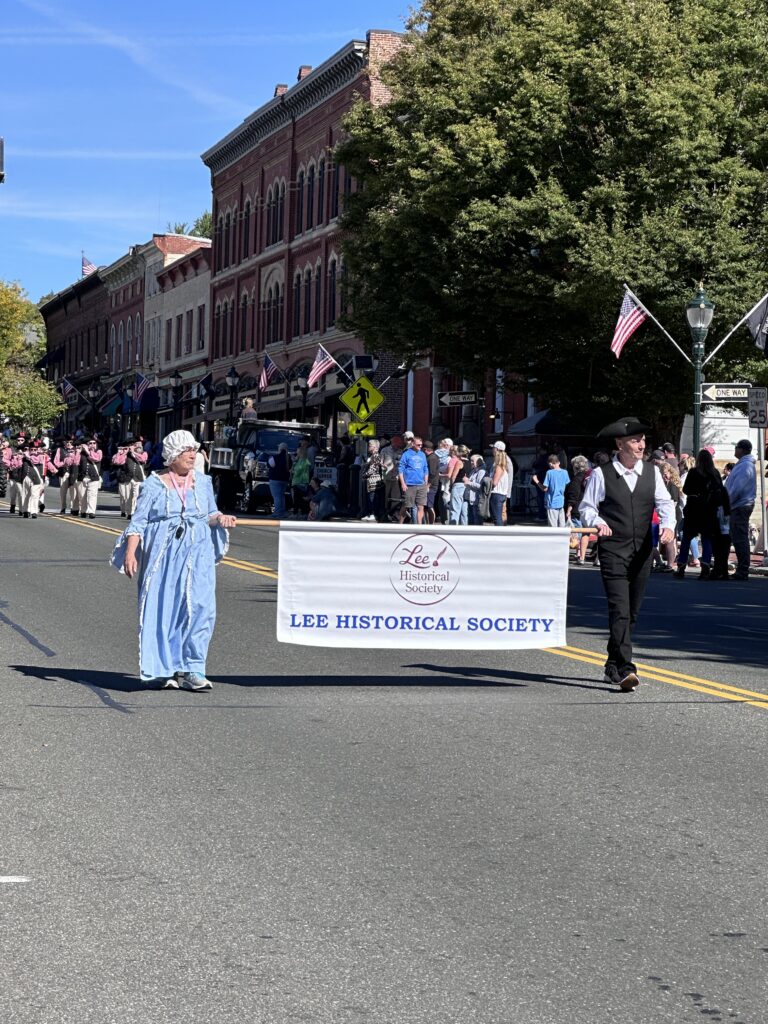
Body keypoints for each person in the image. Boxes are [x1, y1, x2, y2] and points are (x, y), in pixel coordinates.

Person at [111, 429, 237, 690]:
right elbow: (139, 522)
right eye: (186, 451)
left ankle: (194, 669)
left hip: (197, 553)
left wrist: (221, 518)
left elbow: (209, 514)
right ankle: (164, 668)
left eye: (193, 450)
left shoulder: (203, 482)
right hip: (163, 555)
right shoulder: (154, 484)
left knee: (201, 608)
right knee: (164, 608)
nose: (192, 454)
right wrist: (132, 553)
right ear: (172, 456)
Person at [579, 417, 675, 692]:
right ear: (620, 444)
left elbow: (666, 503)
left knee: (631, 612)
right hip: (613, 551)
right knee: (619, 609)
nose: (641, 445)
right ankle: (626, 669)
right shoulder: (603, 473)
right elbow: (587, 507)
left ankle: (612, 664)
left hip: (642, 551)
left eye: (643, 440)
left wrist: (668, 526)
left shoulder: (651, 473)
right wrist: (598, 522)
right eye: (635, 440)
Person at [675, 448, 730, 580]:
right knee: (707, 538)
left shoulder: (694, 472)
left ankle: (681, 567)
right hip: (709, 510)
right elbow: (719, 490)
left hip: (694, 509)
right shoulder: (714, 473)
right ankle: (705, 566)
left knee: (687, 538)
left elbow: (686, 489)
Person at [724, 439, 756, 580]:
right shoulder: (743, 465)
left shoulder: (745, 466)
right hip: (738, 505)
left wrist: (727, 503)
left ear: (742, 449)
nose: (735, 450)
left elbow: (737, 489)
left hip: (740, 505)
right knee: (738, 537)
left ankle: (743, 570)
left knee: (740, 538)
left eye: (736, 447)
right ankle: (742, 570)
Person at [565, 455, 592, 563]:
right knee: (586, 532)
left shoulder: (576, 479)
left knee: (577, 531)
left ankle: (579, 553)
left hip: (577, 508)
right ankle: (581, 555)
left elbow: (573, 495)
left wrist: (569, 509)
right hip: (588, 508)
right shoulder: (589, 477)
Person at [532, 453, 570, 527]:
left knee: (553, 527)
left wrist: (536, 481)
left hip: (552, 503)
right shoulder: (565, 472)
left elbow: (545, 488)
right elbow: (567, 484)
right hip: (561, 502)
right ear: (558, 462)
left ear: (550, 464)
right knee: (562, 526)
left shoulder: (549, 473)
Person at [398, 435, 429, 524]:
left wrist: (426, 483)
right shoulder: (406, 454)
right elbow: (401, 469)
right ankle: (400, 524)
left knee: (421, 506)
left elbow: (425, 469)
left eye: (421, 445)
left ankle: (419, 526)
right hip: (410, 484)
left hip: (421, 484)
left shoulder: (422, 454)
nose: (420, 447)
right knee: (407, 505)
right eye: (418, 445)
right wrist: (403, 483)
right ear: (412, 444)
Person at [361, 438, 385, 521]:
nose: (368, 447)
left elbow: (373, 468)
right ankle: (369, 513)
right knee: (370, 497)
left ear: (375, 447)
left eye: (370, 445)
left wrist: (365, 475)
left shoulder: (375, 456)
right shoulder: (372, 456)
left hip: (374, 481)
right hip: (371, 481)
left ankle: (373, 514)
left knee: (373, 498)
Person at [489, 441, 511, 526]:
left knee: (497, 518)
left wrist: (487, 480)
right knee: (497, 517)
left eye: (493, 448)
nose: (492, 450)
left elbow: (494, 482)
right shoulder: (502, 465)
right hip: (500, 494)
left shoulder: (499, 466)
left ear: (497, 449)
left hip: (497, 494)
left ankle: (500, 535)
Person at [267, 442, 291, 518]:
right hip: (284, 480)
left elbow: (270, 465)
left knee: (277, 496)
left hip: (275, 479)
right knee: (281, 496)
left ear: (279, 449)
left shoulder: (275, 457)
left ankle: (277, 513)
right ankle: (282, 512)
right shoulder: (288, 458)